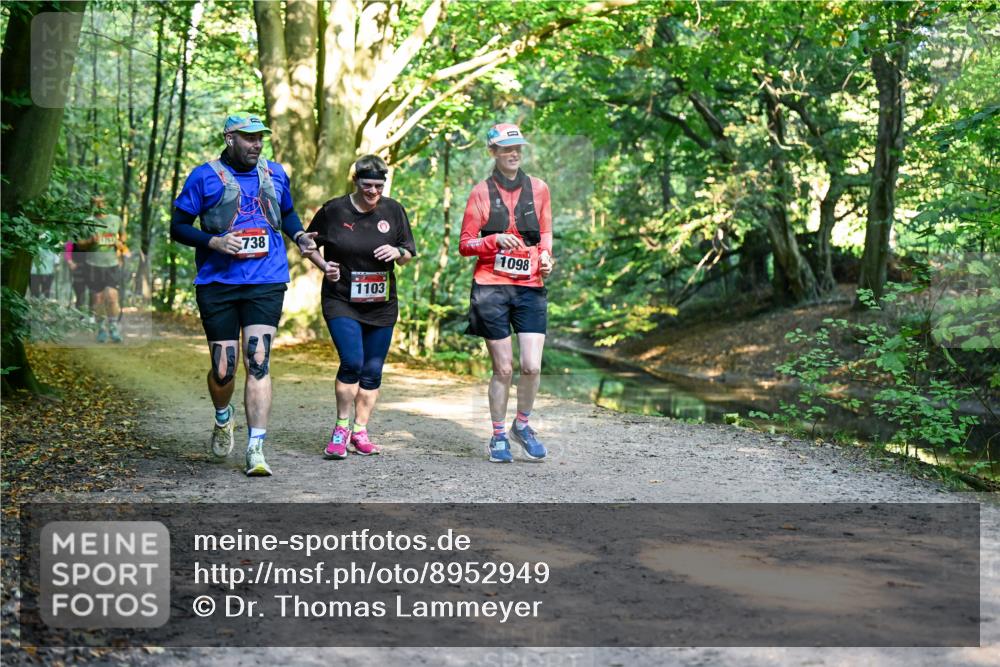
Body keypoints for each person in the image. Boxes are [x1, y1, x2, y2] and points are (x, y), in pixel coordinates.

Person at [170, 113, 317, 477]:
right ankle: (223, 417)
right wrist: (213, 241)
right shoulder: (203, 176)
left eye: (260, 138)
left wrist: (299, 237)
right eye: (248, 138)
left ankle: (256, 448)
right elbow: (178, 226)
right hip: (218, 284)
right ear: (230, 138)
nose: (256, 144)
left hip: (265, 280)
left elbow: (287, 213)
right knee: (223, 369)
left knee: (259, 361)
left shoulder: (276, 173)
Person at [303, 155, 416, 460]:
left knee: (372, 371)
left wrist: (397, 251)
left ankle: (360, 431)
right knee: (352, 361)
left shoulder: (393, 210)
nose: (373, 192)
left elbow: (408, 252)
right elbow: (306, 243)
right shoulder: (334, 209)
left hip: (381, 303)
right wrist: (323, 265)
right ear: (355, 181)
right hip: (341, 299)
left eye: (379, 186)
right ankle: (341, 428)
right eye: (367, 185)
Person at [458, 123, 555, 463]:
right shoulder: (480, 193)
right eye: (506, 148)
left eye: (518, 148)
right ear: (494, 153)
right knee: (503, 369)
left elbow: (544, 231)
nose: (513, 153)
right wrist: (493, 240)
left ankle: (522, 425)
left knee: (531, 366)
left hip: (530, 287)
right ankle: (498, 434)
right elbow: (465, 245)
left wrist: (546, 257)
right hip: (490, 288)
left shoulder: (539, 189)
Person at [81, 195, 126, 343]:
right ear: (92, 205)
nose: (99, 205)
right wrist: (89, 241)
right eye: (96, 203)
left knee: (112, 296)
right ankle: (101, 328)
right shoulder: (88, 222)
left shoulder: (115, 220)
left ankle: (113, 327)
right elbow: (77, 244)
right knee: (98, 298)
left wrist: (120, 245)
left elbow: (123, 239)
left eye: (102, 202)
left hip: (112, 264)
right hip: (93, 264)